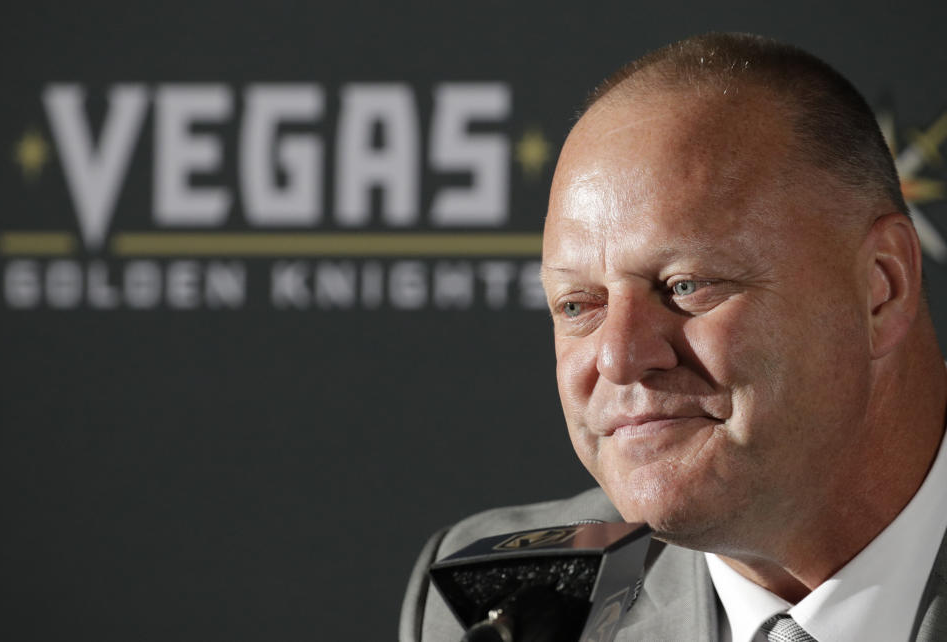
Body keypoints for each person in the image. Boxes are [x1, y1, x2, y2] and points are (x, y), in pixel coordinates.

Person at [400, 33, 947, 642]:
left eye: (686, 286)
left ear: (881, 288)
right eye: (578, 305)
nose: (619, 357)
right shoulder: (503, 602)